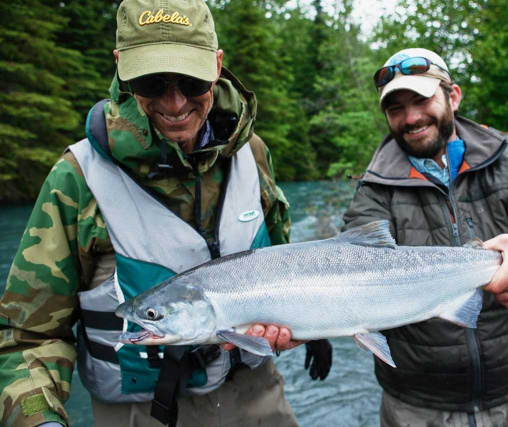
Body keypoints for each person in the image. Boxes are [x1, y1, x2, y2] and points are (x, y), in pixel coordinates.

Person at [0, 1, 331, 426]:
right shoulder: (76, 178)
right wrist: (37, 418)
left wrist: (316, 326)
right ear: (122, 68)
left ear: (217, 65)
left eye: (192, 82)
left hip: (257, 397)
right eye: (153, 82)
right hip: (141, 413)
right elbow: (26, 337)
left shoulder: (253, 153)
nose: (175, 103)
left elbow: (289, 269)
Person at [342, 48, 508, 427]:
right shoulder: (373, 189)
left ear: (453, 96)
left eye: (422, 100)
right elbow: (350, 272)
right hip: (414, 408)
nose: (411, 118)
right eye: (396, 108)